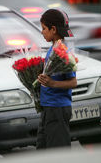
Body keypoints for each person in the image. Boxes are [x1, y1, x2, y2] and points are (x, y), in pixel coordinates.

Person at [36, 8, 77, 149]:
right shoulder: (53, 48)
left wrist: (52, 83)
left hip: (57, 108)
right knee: (43, 149)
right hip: (48, 107)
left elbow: (73, 82)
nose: (42, 32)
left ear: (53, 29)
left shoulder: (63, 51)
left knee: (58, 153)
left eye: (44, 28)